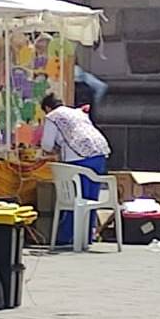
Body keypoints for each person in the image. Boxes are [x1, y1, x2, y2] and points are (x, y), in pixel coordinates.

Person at [40, 94, 112, 245]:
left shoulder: (52, 116)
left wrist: (55, 150)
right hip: (99, 152)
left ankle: (66, 236)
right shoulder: (78, 113)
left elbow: (46, 144)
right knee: (90, 198)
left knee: (74, 198)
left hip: (78, 156)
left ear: (47, 108)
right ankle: (86, 236)